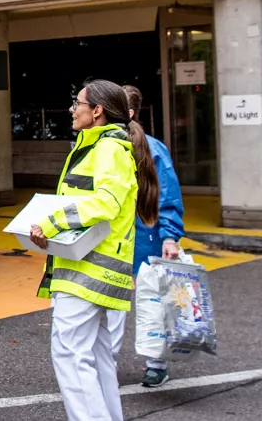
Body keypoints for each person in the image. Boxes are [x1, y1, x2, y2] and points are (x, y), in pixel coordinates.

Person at [29, 79, 158, 421]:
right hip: (92, 269)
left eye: (78, 103)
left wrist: (52, 222)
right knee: (98, 358)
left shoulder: (108, 149)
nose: (73, 109)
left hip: (89, 272)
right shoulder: (101, 147)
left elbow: (106, 202)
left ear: (97, 111)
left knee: (70, 354)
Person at [123, 85, 185, 388]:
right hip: (126, 238)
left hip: (147, 239)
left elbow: (167, 194)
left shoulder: (151, 149)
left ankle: (156, 362)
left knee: (154, 302)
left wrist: (169, 237)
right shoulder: (105, 147)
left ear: (129, 113)